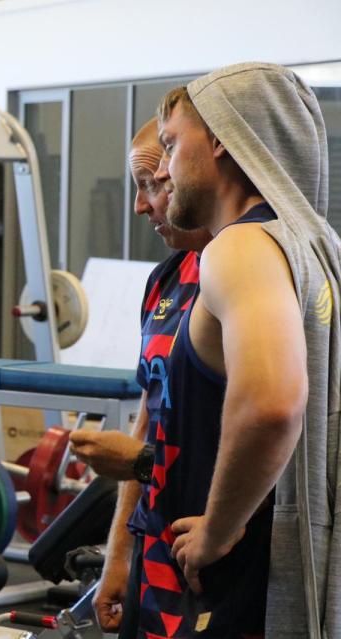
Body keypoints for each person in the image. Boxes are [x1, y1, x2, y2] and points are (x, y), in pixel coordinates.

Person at [134, 63, 338, 638]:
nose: (167, 169)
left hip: (233, 585)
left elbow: (273, 404)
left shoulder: (241, 247)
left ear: (223, 136)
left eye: (172, 145)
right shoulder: (315, 249)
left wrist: (217, 531)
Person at [68, 118, 211, 637]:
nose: (140, 205)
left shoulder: (251, 278)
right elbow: (151, 419)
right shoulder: (165, 281)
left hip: (212, 553)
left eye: (152, 183)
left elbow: (269, 430)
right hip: (152, 551)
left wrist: (141, 463)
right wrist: (117, 556)